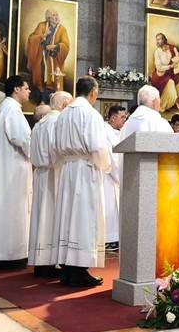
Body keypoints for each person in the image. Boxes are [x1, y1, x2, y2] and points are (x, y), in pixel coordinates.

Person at [49, 76, 113, 287]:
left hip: (68, 169)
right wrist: (105, 165)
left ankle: (68, 269)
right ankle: (78, 270)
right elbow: (96, 146)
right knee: (84, 218)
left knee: (68, 217)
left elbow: (56, 146)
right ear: (93, 92)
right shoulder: (90, 114)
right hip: (85, 170)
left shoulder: (63, 114)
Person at [0, 75, 32, 267]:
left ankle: (2, 253)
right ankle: (10, 254)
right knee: (12, 209)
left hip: (9, 167)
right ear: (17, 89)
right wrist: (40, 154)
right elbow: (23, 140)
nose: (29, 91)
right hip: (12, 171)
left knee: (6, 209)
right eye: (26, 88)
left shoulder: (5, 108)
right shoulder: (12, 110)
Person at [28, 91, 71, 277]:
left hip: (40, 173)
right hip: (55, 173)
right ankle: (52, 261)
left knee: (41, 217)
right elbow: (57, 150)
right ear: (63, 105)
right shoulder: (57, 122)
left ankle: (41, 262)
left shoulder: (41, 122)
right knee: (52, 217)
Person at [24, 9, 71, 94]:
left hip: (54, 58)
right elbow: (32, 38)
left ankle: (51, 93)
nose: (56, 17)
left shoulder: (62, 29)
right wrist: (44, 34)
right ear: (48, 18)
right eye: (54, 15)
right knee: (40, 73)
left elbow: (66, 45)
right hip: (41, 56)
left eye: (57, 15)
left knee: (54, 80)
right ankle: (39, 92)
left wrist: (55, 46)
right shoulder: (41, 25)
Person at [103, 105, 127, 250]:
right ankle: (109, 239)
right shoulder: (105, 132)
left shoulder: (119, 132)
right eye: (122, 117)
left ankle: (115, 238)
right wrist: (121, 176)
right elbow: (112, 158)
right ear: (113, 118)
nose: (125, 119)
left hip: (116, 176)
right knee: (109, 206)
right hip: (108, 176)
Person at [150, 33, 179, 112]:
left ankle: (174, 100)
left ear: (164, 39)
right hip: (160, 75)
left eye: (159, 39)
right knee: (170, 82)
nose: (157, 41)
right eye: (156, 39)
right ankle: (162, 105)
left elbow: (178, 58)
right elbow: (159, 67)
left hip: (172, 73)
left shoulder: (172, 48)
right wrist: (169, 66)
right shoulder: (157, 52)